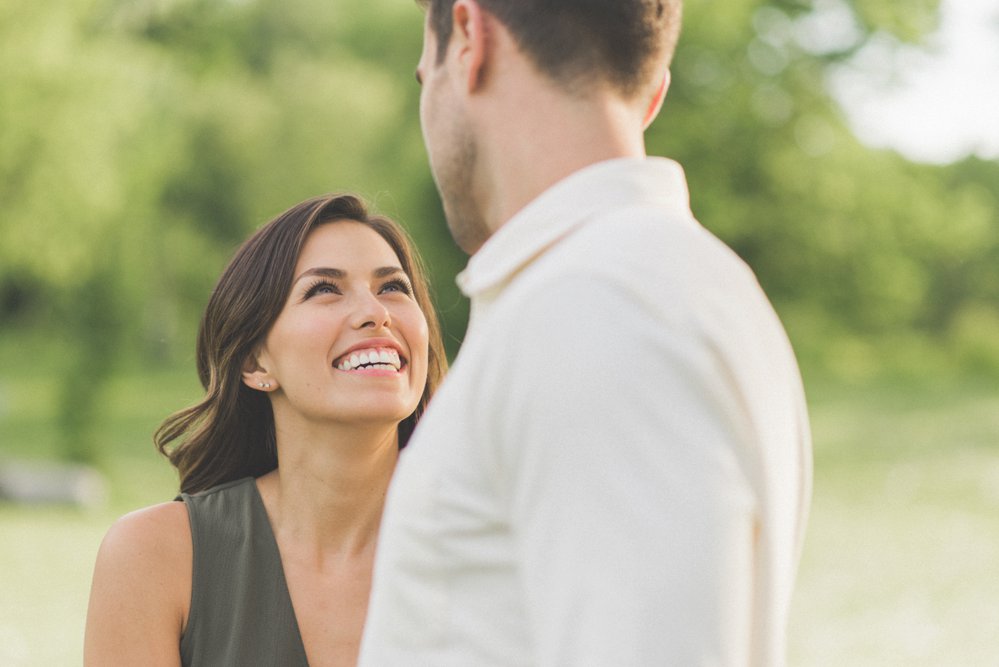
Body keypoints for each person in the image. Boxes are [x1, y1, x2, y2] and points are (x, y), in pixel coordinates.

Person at [359, 1, 812, 665]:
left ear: (467, 37)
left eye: (423, 78)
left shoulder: (598, 306)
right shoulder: (651, 285)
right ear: (651, 95)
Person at [84, 194, 447, 666]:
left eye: (393, 287)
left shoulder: (497, 541)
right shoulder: (155, 559)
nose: (376, 313)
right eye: (324, 290)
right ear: (256, 362)